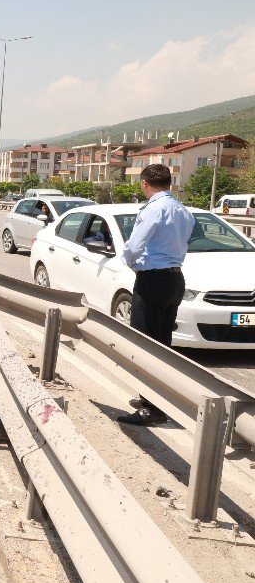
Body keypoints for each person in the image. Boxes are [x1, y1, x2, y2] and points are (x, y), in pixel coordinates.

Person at [117, 163, 196, 427]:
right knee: (163, 342)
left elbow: (135, 245)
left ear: (144, 184)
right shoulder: (183, 211)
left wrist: (129, 262)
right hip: (175, 278)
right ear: (170, 184)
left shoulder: (154, 209)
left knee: (146, 344)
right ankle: (156, 400)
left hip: (153, 279)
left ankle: (152, 408)